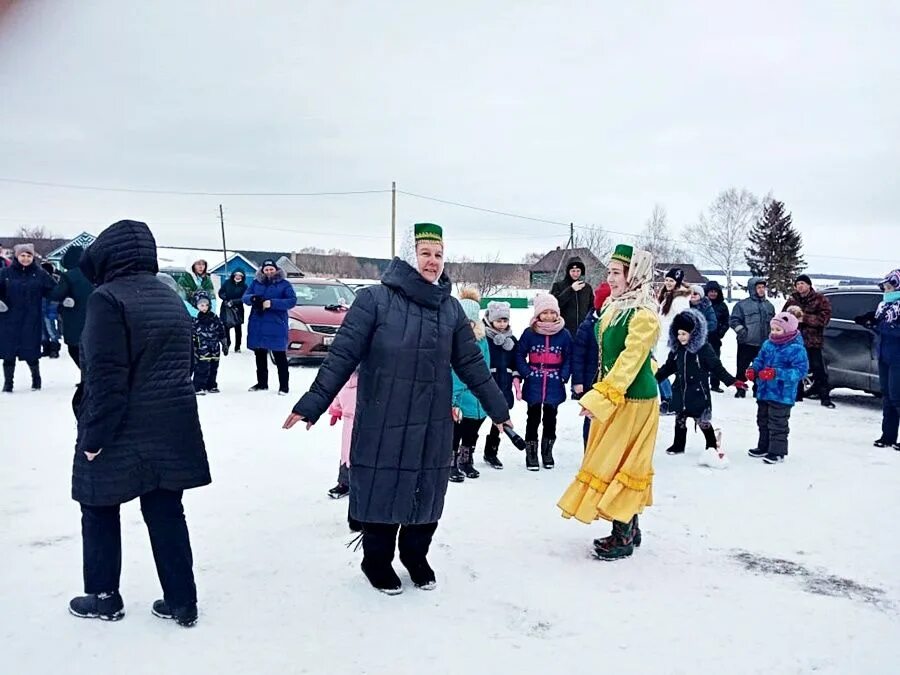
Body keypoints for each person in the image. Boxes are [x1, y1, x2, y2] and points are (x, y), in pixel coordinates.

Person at [284, 223, 511, 595]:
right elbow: (342, 355)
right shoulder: (374, 301)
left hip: (433, 420)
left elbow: (471, 364)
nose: (433, 262)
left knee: (427, 489)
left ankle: (415, 556)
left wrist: (498, 410)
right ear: (409, 256)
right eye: (425, 253)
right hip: (383, 416)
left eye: (439, 255)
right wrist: (313, 403)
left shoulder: (451, 309)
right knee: (383, 487)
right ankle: (375, 560)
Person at [68, 220, 210, 627]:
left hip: (121, 426)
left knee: (98, 507)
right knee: (166, 510)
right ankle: (182, 601)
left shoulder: (107, 299)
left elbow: (106, 377)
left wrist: (94, 436)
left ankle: (103, 596)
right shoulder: (168, 295)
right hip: (172, 423)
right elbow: (185, 363)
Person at [557, 244, 660, 561]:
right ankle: (630, 526)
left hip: (633, 400)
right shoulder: (616, 309)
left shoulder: (643, 316)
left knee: (622, 464)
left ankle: (623, 535)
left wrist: (602, 397)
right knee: (616, 461)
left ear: (634, 275)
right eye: (611, 272)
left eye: (616, 273)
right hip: (616, 397)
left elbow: (630, 361)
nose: (610, 279)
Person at [655, 309, 745, 458]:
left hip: (698, 392)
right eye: (678, 334)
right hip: (680, 390)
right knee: (680, 418)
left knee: (702, 420)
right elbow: (668, 367)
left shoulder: (703, 349)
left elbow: (716, 367)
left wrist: (732, 381)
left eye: (684, 334)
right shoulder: (677, 350)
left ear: (693, 333)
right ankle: (678, 444)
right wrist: (654, 378)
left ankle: (711, 444)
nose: (680, 337)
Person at [516, 293, 573, 471]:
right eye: (545, 312)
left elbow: (569, 357)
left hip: (554, 382)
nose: (549, 316)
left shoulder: (564, 334)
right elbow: (518, 354)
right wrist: (526, 373)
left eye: (552, 312)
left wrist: (564, 375)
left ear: (558, 313)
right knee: (532, 418)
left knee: (551, 419)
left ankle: (547, 452)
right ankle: (531, 453)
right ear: (538, 314)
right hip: (534, 381)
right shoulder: (529, 333)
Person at [746, 312, 809, 464]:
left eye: (778, 330)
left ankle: (777, 451)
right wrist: (753, 369)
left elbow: (800, 371)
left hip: (782, 394)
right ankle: (764, 446)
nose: (774, 333)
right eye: (772, 329)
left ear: (788, 330)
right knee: (763, 420)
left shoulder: (796, 349)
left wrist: (777, 373)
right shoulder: (768, 344)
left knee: (778, 422)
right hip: (764, 391)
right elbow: (759, 359)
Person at [0, 244, 57, 392]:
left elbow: (55, 290)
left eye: (29, 256)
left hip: (31, 319)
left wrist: (66, 297)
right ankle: (8, 383)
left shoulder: (40, 274)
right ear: (16, 256)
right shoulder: (5, 273)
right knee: (8, 353)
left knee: (31, 352)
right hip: (9, 319)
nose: (25, 259)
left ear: (33, 258)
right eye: (23, 256)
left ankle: (36, 380)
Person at [449, 288, 493, 483]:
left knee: (472, 431)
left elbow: (485, 367)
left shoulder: (482, 341)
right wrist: (454, 398)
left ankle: (466, 459)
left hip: (477, 397)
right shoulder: (453, 342)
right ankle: (450, 461)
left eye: (471, 321)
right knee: (456, 431)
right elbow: (453, 372)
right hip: (460, 395)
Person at [856, 269, 900, 450]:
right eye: (885, 287)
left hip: (898, 357)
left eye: (889, 287)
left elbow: (894, 331)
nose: (886, 290)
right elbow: (881, 330)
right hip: (884, 355)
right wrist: (869, 323)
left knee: (897, 397)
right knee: (887, 396)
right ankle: (888, 436)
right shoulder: (884, 306)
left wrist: (880, 326)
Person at [243, 259, 297, 395]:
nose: (269, 272)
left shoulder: (284, 284)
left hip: (276, 324)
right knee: (259, 356)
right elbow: (245, 297)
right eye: (266, 270)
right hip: (258, 324)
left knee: (280, 357)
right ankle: (262, 383)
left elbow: (291, 301)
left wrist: (272, 303)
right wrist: (253, 298)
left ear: (276, 270)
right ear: (262, 271)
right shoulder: (256, 283)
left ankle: (284, 386)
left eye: (271, 269)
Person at [783, 275, 835, 408]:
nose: (800, 286)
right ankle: (796, 395)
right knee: (794, 368)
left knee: (818, 369)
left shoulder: (820, 299)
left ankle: (825, 398)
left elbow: (824, 319)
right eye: (797, 284)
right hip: (794, 340)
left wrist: (804, 318)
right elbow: (783, 317)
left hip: (812, 341)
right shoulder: (792, 300)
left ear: (809, 285)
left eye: (802, 283)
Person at [572, 282, 612, 447]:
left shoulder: (616, 324)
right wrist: (578, 381)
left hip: (610, 381)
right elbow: (578, 356)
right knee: (591, 415)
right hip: (591, 380)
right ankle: (588, 447)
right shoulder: (588, 326)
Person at [482, 300, 519, 469]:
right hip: (487, 385)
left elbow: (516, 361)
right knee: (475, 420)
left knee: (499, 422)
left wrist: (516, 376)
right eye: (498, 320)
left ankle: (491, 452)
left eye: (505, 320)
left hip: (504, 385)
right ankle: (464, 451)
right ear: (490, 320)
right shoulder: (485, 339)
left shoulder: (512, 339)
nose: (502, 324)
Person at [48, 245, 94, 370]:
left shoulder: (69, 276)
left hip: (74, 317)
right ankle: (87, 378)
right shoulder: (95, 273)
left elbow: (57, 294)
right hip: (94, 317)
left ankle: (86, 378)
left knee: (75, 349)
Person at [729, 277, 776, 398]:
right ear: (752, 289)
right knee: (742, 368)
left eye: (763, 287)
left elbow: (773, 322)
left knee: (761, 367)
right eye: (758, 287)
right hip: (746, 342)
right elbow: (734, 320)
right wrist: (742, 332)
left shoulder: (769, 306)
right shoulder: (742, 305)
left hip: (764, 343)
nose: (761, 290)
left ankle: (758, 388)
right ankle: (740, 388)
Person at [656, 268, 691, 414]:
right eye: (667, 280)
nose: (668, 283)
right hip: (661, 338)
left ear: (677, 282)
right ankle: (667, 398)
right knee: (658, 368)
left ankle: (670, 400)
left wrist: (679, 337)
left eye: (672, 281)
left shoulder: (680, 300)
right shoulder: (667, 296)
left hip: (670, 340)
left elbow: (684, 319)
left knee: (660, 369)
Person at [327, 369, 359, 499]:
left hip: (368, 422)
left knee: (363, 453)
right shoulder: (344, 377)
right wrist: (336, 410)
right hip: (348, 420)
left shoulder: (372, 379)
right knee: (346, 453)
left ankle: (364, 484)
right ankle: (344, 482)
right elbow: (338, 393)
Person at [191, 291, 228, 395]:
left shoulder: (213, 317)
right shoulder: (194, 318)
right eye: (201, 305)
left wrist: (224, 342)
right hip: (201, 348)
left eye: (206, 305)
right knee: (202, 368)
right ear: (196, 305)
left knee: (213, 367)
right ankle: (198, 386)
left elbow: (221, 329)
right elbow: (190, 332)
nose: (204, 307)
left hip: (214, 347)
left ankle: (211, 385)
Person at [550, 256, 594, 337]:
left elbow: (591, 308)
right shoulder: (558, 286)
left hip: (583, 332)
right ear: (568, 271)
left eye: (578, 271)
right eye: (573, 271)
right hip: (563, 331)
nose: (576, 274)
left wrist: (589, 323)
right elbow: (554, 305)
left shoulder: (587, 288)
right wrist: (571, 290)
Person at [704, 281, 731, 392]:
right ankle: (702, 383)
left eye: (715, 292)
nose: (713, 294)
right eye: (711, 291)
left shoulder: (722, 306)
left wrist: (721, 332)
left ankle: (715, 385)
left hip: (715, 338)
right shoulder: (702, 304)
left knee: (715, 361)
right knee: (701, 361)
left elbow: (726, 321)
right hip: (701, 338)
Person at [218, 270, 247, 352]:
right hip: (226, 308)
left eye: (240, 276)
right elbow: (221, 292)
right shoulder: (227, 283)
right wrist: (225, 298)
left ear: (242, 277)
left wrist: (234, 302)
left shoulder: (244, 286)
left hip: (238, 309)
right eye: (236, 275)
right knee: (226, 327)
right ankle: (227, 343)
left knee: (238, 328)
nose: (238, 277)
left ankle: (237, 347)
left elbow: (245, 298)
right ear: (233, 275)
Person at [41, 261, 63, 358]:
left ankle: (54, 348)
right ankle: (46, 348)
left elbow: (56, 297)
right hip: (40, 309)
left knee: (51, 330)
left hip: (49, 308)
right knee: (42, 331)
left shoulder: (53, 281)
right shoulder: (38, 281)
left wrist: (54, 310)